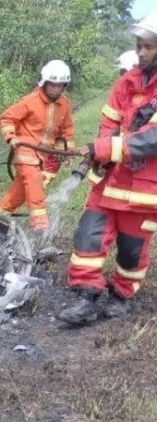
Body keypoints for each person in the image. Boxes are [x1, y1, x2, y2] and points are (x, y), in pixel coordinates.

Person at [59, 12, 157, 325]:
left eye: (149, 47)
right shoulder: (125, 83)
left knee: (131, 249)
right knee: (88, 235)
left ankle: (122, 294)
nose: (141, 52)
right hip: (109, 181)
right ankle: (85, 296)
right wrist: (97, 152)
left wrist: (104, 148)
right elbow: (109, 123)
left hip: (144, 189)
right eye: (139, 46)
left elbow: (151, 139)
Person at [0, 60, 76, 229]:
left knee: (19, 194)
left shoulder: (65, 104)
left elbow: (66, 130)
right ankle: (39, 223)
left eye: (59, 85)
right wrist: (11, 137)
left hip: (43, 154)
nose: (55, 89)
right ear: (44, 82)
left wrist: (67, 151)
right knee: (34, 180)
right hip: (25, 150)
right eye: (52, 85)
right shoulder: (30, 101)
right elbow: (7, 117)